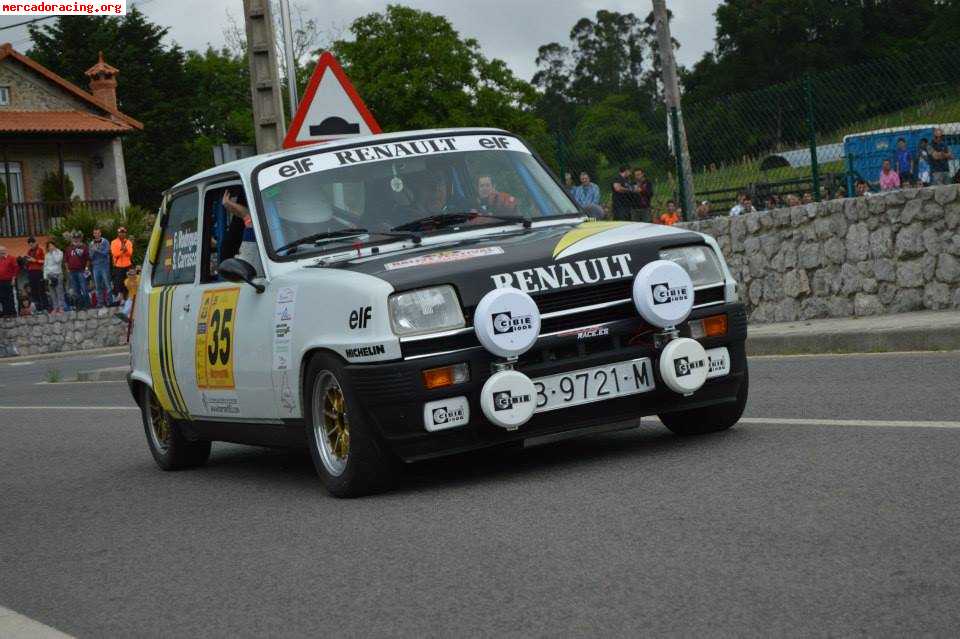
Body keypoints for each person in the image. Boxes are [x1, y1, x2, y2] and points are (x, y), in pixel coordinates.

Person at [65, 232, 91, 310]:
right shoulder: (68, 248)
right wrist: (67, 270)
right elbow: (66, 261)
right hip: (72, 271)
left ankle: (87, 305)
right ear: (72, 239)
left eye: (77, 238)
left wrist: (86, 268)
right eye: (74, 238)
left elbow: (88, 259)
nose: (76, 239)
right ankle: (79, 305)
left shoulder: (84, 247)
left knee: (84, 288)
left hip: (81, 270)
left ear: (80, 239)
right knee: (76, 290)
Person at [24, 236, 50, 313]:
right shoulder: (29, 252)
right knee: (34, 291)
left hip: (38, 271)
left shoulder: (40, 250)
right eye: (30, 244)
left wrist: (35, 260)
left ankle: (45, 307)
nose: (31, 245)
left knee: (41, 289)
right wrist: (26, 261)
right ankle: (38, 308)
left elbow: (44, 261)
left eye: (32, 243)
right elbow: (28, 262)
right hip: (31, 272)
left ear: (35, 243)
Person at [110, 226, 134, 300]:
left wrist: (125, 250)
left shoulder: (129, 242)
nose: (122, 234)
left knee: (128, 282)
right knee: (118, 283)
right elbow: (114, 253)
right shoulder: (114, 242)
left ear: (125, 233)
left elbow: (130, 253)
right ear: (118, 233)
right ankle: (120, 298)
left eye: (123, 232)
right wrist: (122, 251)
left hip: (128, 265)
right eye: (121, 232)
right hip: (118, 266)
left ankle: (128, 297)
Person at [89, 228, 112, 307]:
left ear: (100, 233)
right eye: (95, 233)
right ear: (93, 234)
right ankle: (100, 302)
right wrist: (92, 252)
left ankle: (109, 301)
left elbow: (106, 252)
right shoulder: (91, 243)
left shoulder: (105, 241)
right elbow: (91, 256)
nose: (96, 234)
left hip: (104, 265)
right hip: (95, 266)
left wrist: (97, 250)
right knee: (98, 285)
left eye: (98, 233)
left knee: (107, 284)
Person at [43, 240, 65, 313]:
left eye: (52, 245)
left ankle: (61, 307)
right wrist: (45, 276)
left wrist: (54, 252)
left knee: (59, 291)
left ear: (55, 246)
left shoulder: (60, 253)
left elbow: (57, 261)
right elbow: (45, 265)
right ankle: (55, 307)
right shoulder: (47, 255)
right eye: (49, 246)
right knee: (52, 292)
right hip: (49, 275)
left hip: (57, 274)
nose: (50, 247)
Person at [0, 245, 19, 317]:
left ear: (5, 251)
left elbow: (16, 269)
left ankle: (12, 312)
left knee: (10, 297)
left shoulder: (11, 258)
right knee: (2, 297)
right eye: (0, 251)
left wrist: (13, 278)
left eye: (2, 251)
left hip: (9, 280)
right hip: (0, 281)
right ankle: (6, 313)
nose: (1, 252)